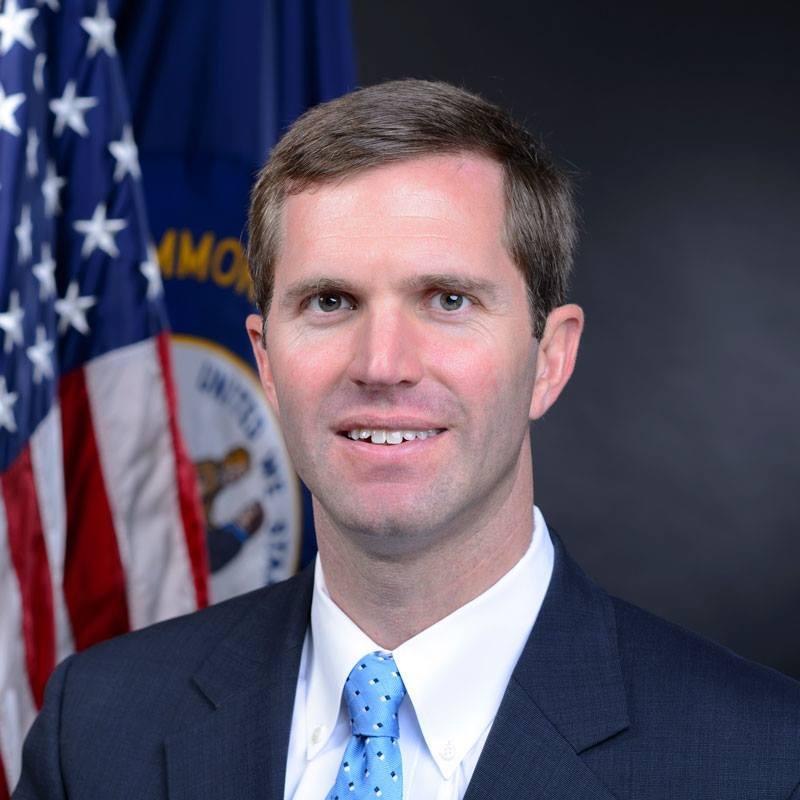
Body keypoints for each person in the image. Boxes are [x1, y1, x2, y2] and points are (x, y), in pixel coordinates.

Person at [14, 80, 800, 800]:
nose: (382, 365)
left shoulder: (762, 762)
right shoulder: (95, 733)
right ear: (267, 361)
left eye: (448, 299)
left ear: (549, 360)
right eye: (330, 302)